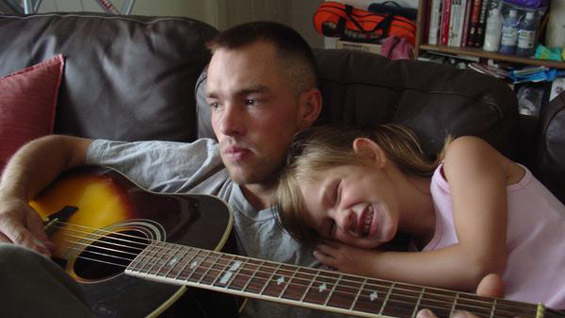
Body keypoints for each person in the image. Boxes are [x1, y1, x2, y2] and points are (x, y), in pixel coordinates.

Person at [0, 21, 337, 318]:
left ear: (308, 107)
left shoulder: (343, 215)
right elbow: (62, 147)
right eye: (216, 103)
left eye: (251, 101)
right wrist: (10, 199)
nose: (226, 126)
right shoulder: (199, 162)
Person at [275, 124, 565, 310]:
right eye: (330, 227)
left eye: (336, 194)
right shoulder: (416, 265)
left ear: (370, 154)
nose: (342, 219)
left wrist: (370, 265)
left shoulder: (462, 158)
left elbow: (482, 262)